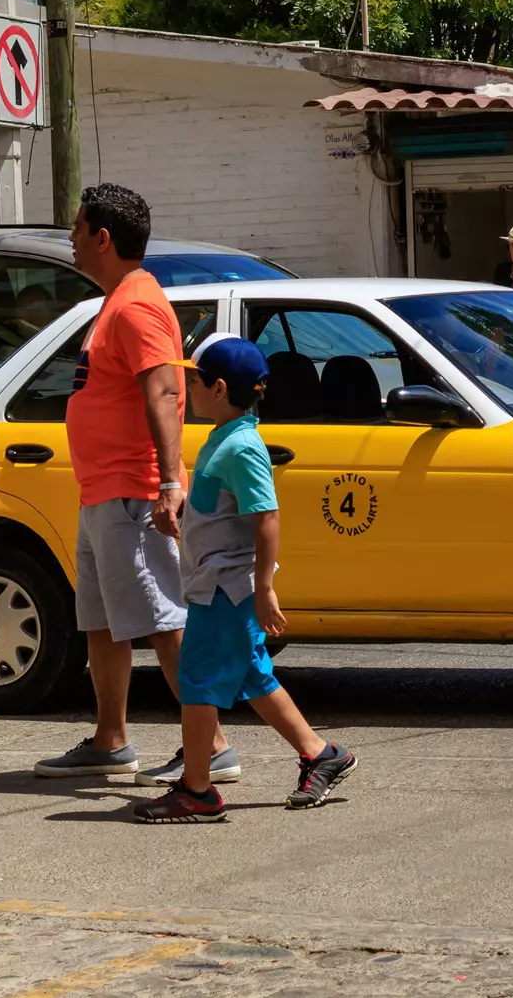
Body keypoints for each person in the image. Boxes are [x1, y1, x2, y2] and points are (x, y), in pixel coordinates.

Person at [34, 184, 237, 786]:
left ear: (103, 238)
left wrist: (169, 483)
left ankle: (214, 747)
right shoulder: (117, 301)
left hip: (133, 492)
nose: (70, 238)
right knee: (101, 623)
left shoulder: (138, 305)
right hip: (103, 491)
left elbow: (166, 392)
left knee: (163, 621)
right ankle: (111, 740)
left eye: (77, 228)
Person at [135, 336, 357, 823]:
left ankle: (197, 791)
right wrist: (183, 516)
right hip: (217, 583)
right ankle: (321, 754)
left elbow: (267, 516)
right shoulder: (224, 437)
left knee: (197, 680)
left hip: (226, 588)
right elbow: (225, 510)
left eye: (194, 381)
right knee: (253, 675)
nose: (187, 388)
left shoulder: (241, 447)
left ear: (218, 388)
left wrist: (264, 588)